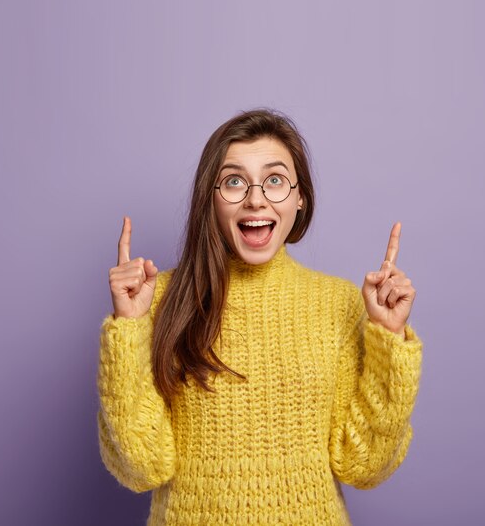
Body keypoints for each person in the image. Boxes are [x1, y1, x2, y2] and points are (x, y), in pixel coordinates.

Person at [97, 109, 423, 525]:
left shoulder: (341, 303)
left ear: (299, 196)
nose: (256, 198)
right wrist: (127, 328)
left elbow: (364, 465)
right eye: (234, 181)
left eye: (275, 180)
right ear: (210, 197)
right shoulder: (156, 299)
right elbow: (141, 467)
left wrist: (388, 336)